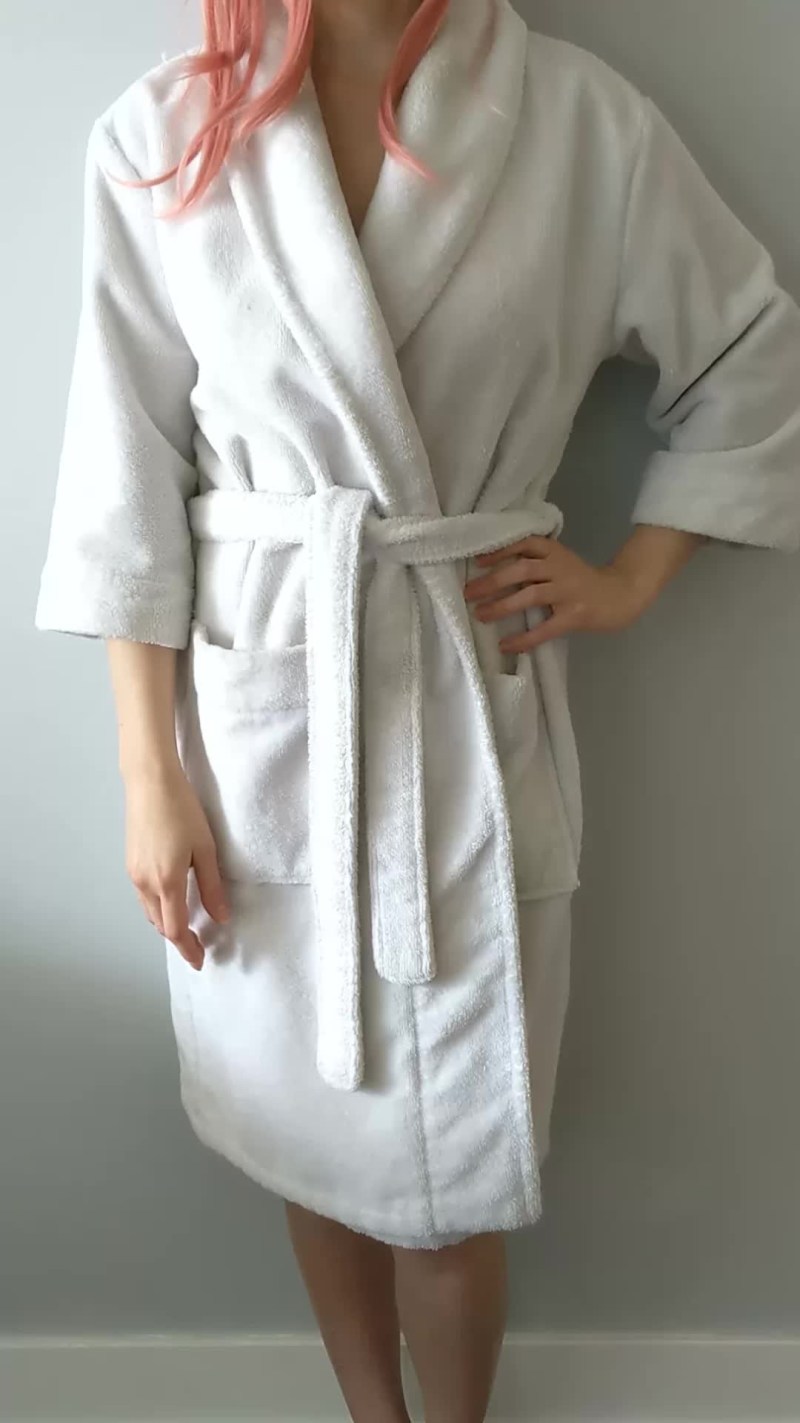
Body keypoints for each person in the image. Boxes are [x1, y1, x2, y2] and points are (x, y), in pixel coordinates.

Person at [34, 0, 800, 1417]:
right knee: (306, 1136)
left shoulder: (579, 123)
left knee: (452, 1181)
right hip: (263, 719)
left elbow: (754, 351)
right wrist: (150, 778)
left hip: (466, 702)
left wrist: (631, 575)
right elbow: (121, 483)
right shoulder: (165, 132)